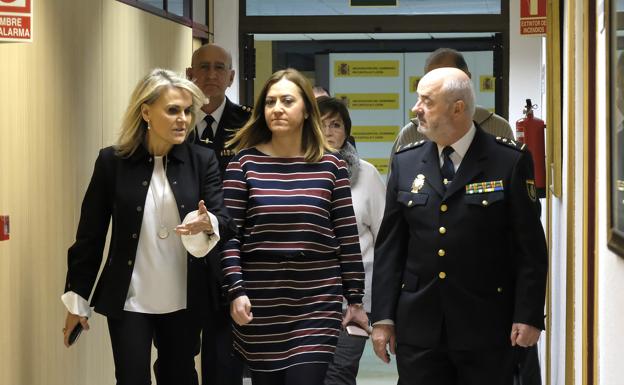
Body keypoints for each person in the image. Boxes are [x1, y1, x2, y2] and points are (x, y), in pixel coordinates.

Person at [371, 67, 548, 385]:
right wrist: (383, 318)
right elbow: (390, 248)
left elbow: (530, 248)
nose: (416, 109)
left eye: (426, 101)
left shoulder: (507, 160)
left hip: (487, 326)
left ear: (457, 107)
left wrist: (528, 314)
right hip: (419, 327)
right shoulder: (406, 162)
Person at [61, 69, 235, 385]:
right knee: (130, 378)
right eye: (172, 110)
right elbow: (90, 236)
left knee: (179, 376)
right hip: (130, 299)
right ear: (146, 111)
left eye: (187, 111)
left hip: (184, 298)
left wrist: (208, 222)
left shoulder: (202, 160)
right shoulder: (111, 162)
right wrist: (77, 300)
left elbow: (223, 218)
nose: (183, 118)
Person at [221, 68, 369, 385]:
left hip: (317, 300)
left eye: (287, 101)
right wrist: (235, 290)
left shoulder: (331, 166)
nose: (277, 108)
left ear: (305, 111)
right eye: (270, 101)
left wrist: (355, 298)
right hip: (261, 301)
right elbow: (229, 238)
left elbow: (346, 236)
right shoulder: (243, 164)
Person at [186, 43, 251, 385]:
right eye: (204, 67)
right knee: (176, 358)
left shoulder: (249, 124)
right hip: (180, 258)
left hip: (230, 256)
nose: (211, 75)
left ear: (231, 77)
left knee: (223, 361)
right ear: (189, 74)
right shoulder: (175, 120)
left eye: (219, 68)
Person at [316, 97, 386, 385]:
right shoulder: (292, 170)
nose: (330, 131)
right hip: (310, 297)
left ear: (347, 131)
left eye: (336, 124)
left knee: (339, 374)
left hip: (355, 299)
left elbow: (385, 236)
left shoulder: (366, 174)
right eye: (322, 125)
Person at [390, 48, 515, 166]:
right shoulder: (411, 134)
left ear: (467, 79)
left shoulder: (497, 127)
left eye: (448, 78)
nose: (438, 84)